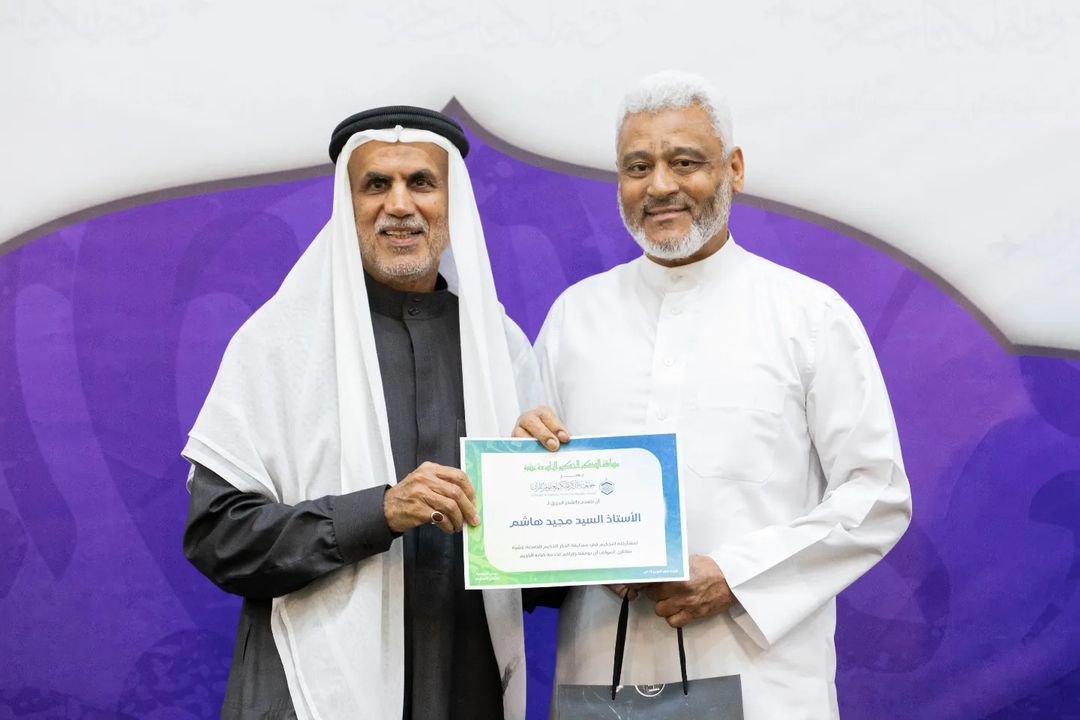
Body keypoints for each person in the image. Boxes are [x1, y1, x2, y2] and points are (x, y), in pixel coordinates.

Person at [514, 72, 912, 719]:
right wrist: (531, 492)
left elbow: (877, 495)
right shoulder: (574, 318)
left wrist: (735, 576)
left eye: (684, 162)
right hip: (599, 677)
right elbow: (540, 493)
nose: (659, 186)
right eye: (637, 167)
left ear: (734, 168)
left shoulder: (808, 315)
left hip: (762, 682)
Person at [182, 106, 540, 720]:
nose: (399, 205)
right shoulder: (279, 343)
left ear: (453, 205)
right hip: (307, 691)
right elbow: (219, 537)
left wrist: (551, 496)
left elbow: (535, 568)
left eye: (421, 182)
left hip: (466, 684)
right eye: (376, 184)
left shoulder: (500, 349)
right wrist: (378, 512)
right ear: (346, 206)